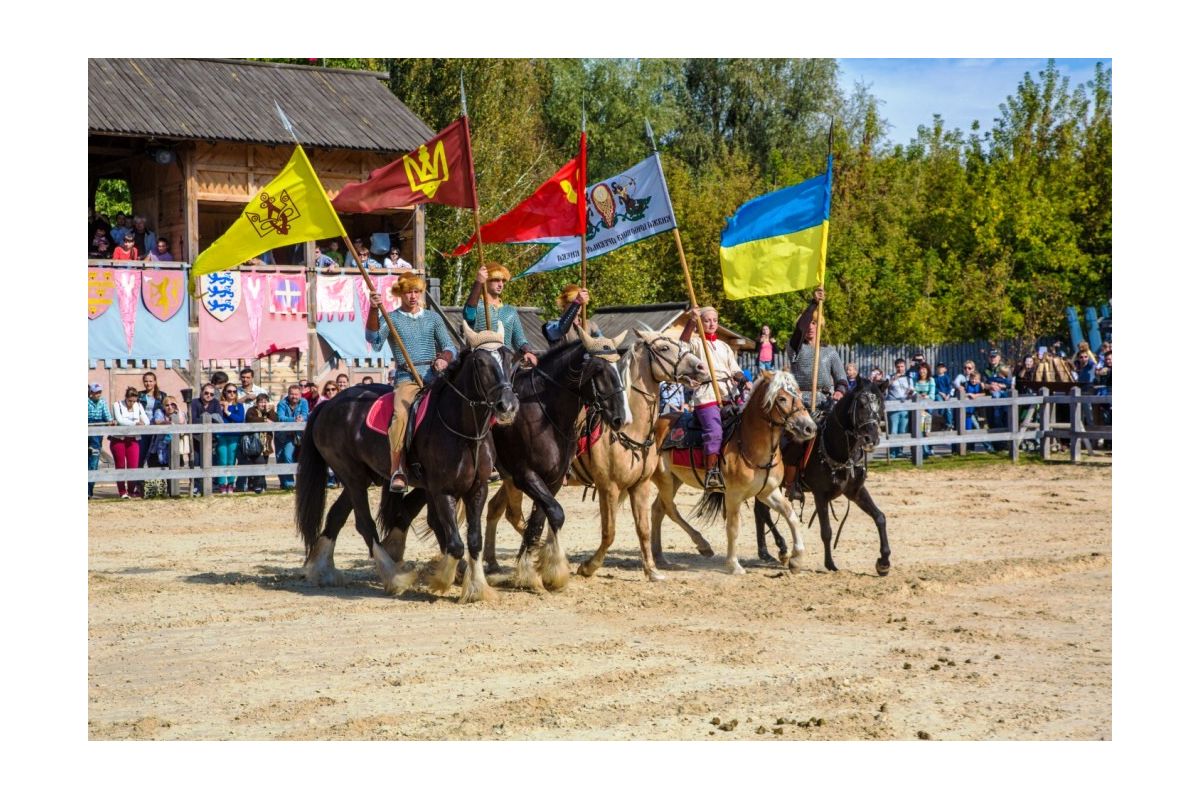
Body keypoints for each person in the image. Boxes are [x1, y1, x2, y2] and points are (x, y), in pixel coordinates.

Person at [367, 272, 457, 493]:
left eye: (417, 291)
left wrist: (444, 359)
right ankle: (397, 468)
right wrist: (373, 309)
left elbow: (450, 347)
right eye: (408, 292)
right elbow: (374, 341)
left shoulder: (433, 318)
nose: (413, 296)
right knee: (401, 416)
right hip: (407, 378)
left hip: (435, 377)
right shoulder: (393, 318)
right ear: (400, 294)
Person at [680, 305, 749, 491]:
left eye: (714, 320)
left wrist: (742, 379)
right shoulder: (696, 343)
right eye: (707, 320)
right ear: (701, 323)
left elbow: (735, 370)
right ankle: (711, 472)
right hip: (707, 395)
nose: (711, 323)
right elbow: (682, 344)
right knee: (715, 433)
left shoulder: (724, 346)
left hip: (728, 394)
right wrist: (691, 321)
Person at [462, 262, 537, 367]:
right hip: (480, 365)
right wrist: (478, 282)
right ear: (486, 281)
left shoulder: (510, 311)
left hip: (504, 365)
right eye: (496, 280)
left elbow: (519, 340)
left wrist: (528, 351)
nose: (501, 284)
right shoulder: (477, 306)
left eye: (503, 281)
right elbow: (468, 314)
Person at [112, 386, 150, 498]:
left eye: (134, 401)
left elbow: (146, 421)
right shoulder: (117, 405)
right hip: (119, 439)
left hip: (133, 439)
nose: (131, 403)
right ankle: (122, 492)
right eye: (130, 401)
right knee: (120, 465)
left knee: (133, 466)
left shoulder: (138, 405)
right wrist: (135, 423)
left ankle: (131, 490)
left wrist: (141, 423)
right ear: (126, 398)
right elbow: (120, 420)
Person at [274, 385, 309, 490]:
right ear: (288, 394)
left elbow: (306, 414)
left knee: (288, 455)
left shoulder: (304, 402)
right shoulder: (282, 403)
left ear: (300, 394)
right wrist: (295, 419)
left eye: (296, 394)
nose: (294, 396)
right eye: (292, 394)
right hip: (281, 435)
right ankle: (284, 483)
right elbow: (280, 418)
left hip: (295, 435)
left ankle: (290, 483)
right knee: (280, 458)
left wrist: (302, 417)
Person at [189, 384, 221, 494]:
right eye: (206, 393)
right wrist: (208, 419)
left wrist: (204, 419)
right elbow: (192, 420)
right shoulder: (194, 402)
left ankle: (211, 486)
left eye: (211, 394)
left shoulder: (215, 403)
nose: (209, 396)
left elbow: (219, 419)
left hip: (211, 439)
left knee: (211, 462)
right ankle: (196, 487)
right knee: (196, 462)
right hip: (196, 438)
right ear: (201, 392)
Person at [213, 385, 245, 494]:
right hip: (221, 435)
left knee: (231, 460)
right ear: (225, 393)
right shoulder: (218, 405)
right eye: (229, 391)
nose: (232, 393)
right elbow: (218, 419)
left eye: (234, 391)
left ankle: (231, 483)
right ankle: (222, 484)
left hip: (234, 436)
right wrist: (222, 409)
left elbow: (240, 420)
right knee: (222, 459)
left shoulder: (239, 406)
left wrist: (227, 412)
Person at [243, 393, 276, 494]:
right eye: (261, 402)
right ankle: (258, 486)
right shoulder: (251, 410)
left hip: (266, 444)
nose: (263, 404)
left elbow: (275, 420)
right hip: (254, 443)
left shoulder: (269, 411)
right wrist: (265, 420)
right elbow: (251, 419)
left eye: (265, 402)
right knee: (259, 463)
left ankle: (260, 485)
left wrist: (270, 410)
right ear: (256, 403)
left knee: (264, 464)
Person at [88, 383, 114, 499]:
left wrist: (110, 421)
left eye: (99, 392)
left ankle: (89, 491)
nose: (98, 394)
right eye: (95, 392)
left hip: (96, 434)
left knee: (93, 463)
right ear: (91, 393)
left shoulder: (102, 402)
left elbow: (107, 416)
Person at [886, 358, 916, 459]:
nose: (900, 369)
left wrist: (911, 393)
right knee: (893, 430)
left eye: (902, 366)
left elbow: (913, 391)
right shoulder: (889, 377)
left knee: (902, 430)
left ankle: (899, 451)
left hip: (905, 407)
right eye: (898, 367)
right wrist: (894, 378)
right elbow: (884, 386)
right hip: (893, 407)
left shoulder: (909, 379)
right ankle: (892, 452)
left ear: (905, 367)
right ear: (895, 367)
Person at [913, 362, 937, 457]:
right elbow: (914, 392)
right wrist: (918, 395)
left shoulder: (931, 380)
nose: (922, 371)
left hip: (927, 407)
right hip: (918, 408)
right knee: (920, 429)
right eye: (920, 369)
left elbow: (932, 395)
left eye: (924, 369)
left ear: (927, 370)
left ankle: (928, 448)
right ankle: (924, 450)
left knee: (926, 430)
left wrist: (925, 396)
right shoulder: (915, 380)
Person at [934, 362, 955, 429]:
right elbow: (934, 387)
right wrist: (941, 393)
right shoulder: (934, 378)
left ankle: (949, 424)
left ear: (945, 369)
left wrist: (948, 395)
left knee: (948, 408)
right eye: (939, 367)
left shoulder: (946, 377)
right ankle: (943, 420)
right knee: (941, 406)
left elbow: (949, 387)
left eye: (942, 367)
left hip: (947, 395)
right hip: (938, 394)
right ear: (936, 369)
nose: (940, 368)